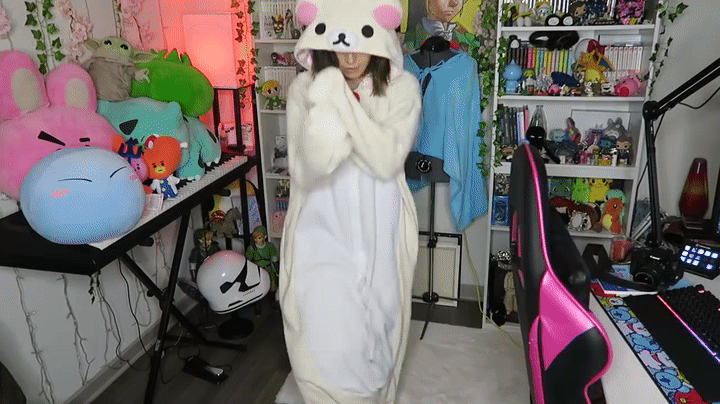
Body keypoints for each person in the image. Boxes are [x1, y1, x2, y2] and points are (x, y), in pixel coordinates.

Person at [279, 0, 422, 402]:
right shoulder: (304, 88)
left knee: (379, 319)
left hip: (380, 217)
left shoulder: (402, 88)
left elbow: (386, 158)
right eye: (341, 47)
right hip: (321, 217)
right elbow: (306, 169)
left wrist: (340, 101)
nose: (351, 58)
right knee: (320, 324)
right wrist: (325, 109)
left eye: (362, 45)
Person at [245, 226, 279, 290]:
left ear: (265, 237)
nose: (256, 240)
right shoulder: (251, 248)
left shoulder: (269, 246)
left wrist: (275, 260)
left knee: (272, 287)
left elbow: (275, 258)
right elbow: (248, 261)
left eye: (259, 238)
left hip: (269, 270)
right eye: (255, 238)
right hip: (258, 271)